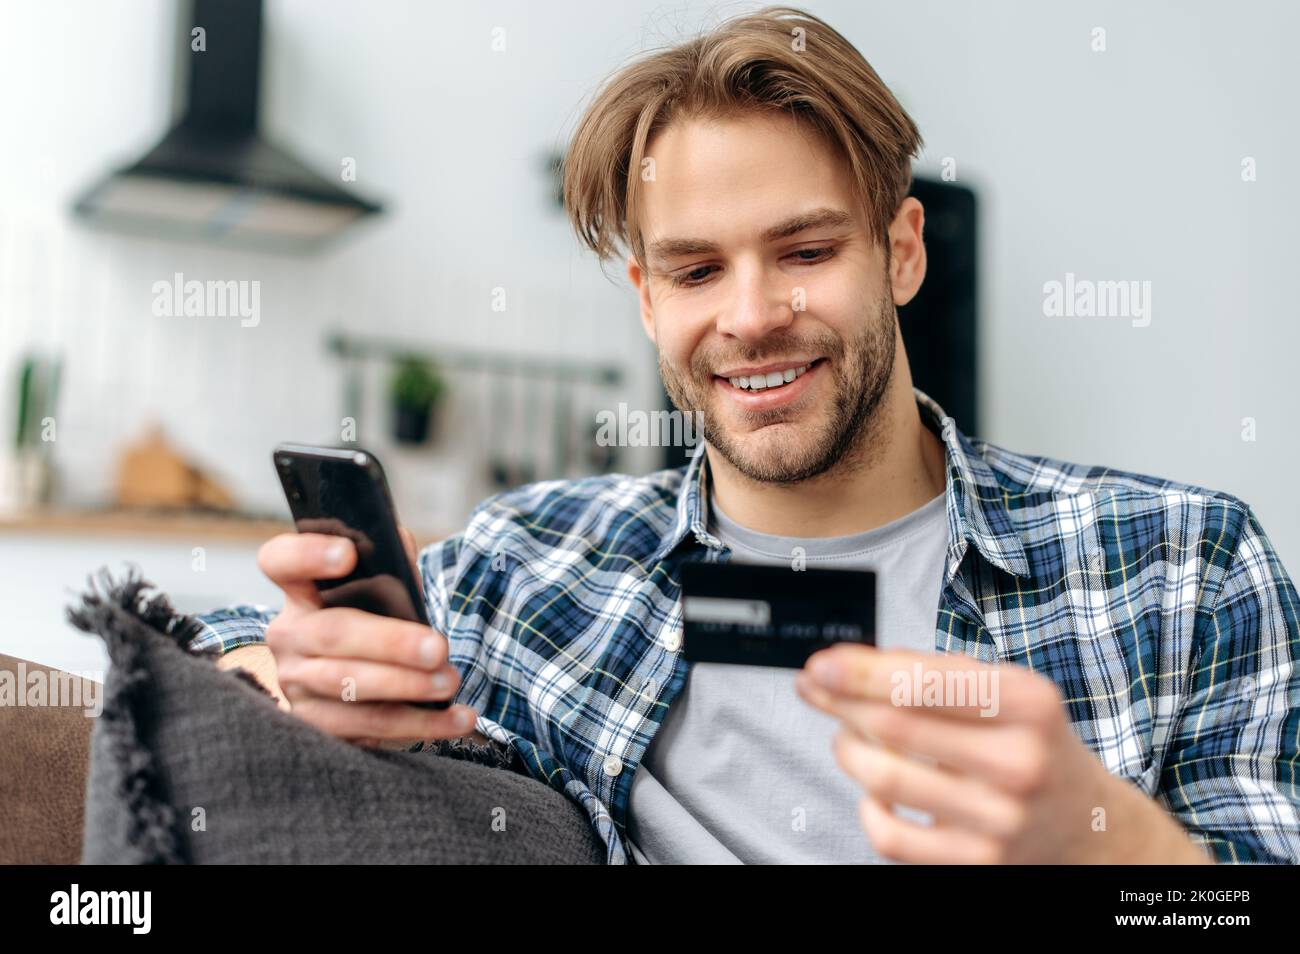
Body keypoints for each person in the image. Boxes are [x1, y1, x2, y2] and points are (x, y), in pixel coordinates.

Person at [196, 6, 1300, 865]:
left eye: (807, 251)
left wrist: (1111, 842)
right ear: (644, 298)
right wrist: (274, 663)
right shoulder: (533, 568)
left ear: (902, 251)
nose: (751, 314)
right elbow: (225, 636)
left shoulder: (1181, 565)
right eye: (694, 269)